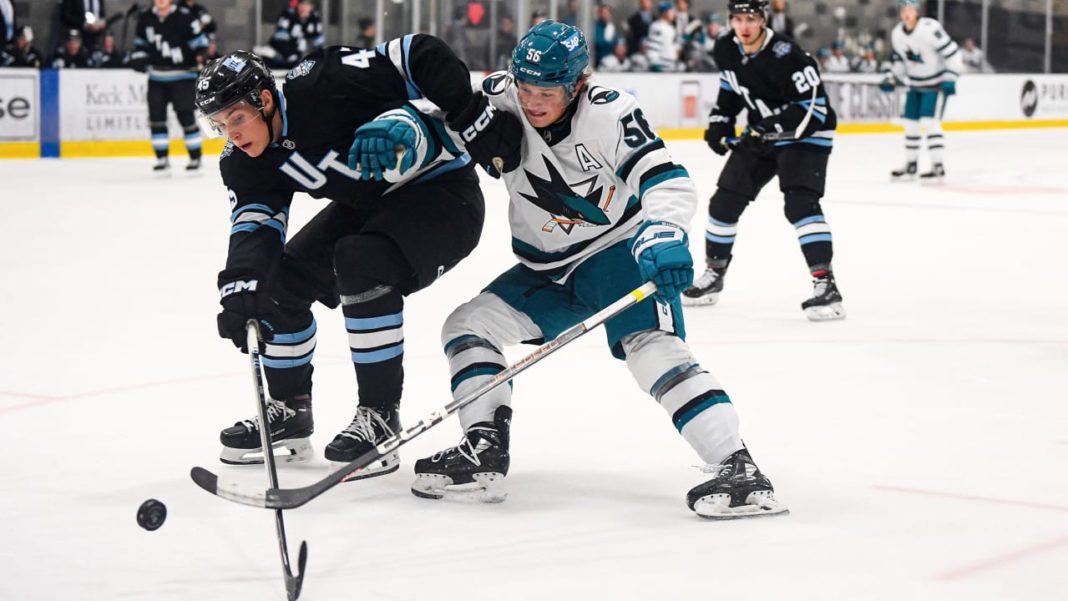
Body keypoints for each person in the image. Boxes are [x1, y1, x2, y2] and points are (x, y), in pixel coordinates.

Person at [409, 21, 788, 520]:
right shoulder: (499, 97)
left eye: (546, 91)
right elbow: (439, 120)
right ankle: (484, 448)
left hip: (615, 255)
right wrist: (405, 127)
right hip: (545, 270)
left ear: (576, 83)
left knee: (651, 348)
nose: (531, 101)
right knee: (466, 326)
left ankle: (737, 466)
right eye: (525, 87)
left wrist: (664, 233)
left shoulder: (610, 112)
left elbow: (665, 179)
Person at [193, 37, 521, 473]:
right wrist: (242, 286)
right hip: (371, 204)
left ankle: (380, 419)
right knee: (275, 285)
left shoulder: (322, 83)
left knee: (360, 261)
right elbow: (255, 228)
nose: (231, 132)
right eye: (219, 124)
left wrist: (466, 109)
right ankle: (291, 412)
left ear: (266, 99)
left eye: (237, 117)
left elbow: (420, 53)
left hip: (444, 197)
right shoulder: (244, 160)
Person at [682, 0, 845, 322]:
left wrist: (765, 129)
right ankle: (714, 274)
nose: (744, 27)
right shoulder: (726, 46)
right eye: (738, 19)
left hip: (806, 135)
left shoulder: (789, 55)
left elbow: (813, 110)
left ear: (764, 21)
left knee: (800, 205)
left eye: (751, 19)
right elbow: (731, 88)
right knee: (723, 205)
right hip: (763, 133)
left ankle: (825, 284)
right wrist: (720, 122)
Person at [881, 0, 961, 180]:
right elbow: (902, 61)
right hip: (914, 85)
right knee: (910, 124)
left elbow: (952, 53)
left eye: (910, 9)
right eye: (903, 10)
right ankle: (911, 164)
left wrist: (950, 77)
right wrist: (893, 77)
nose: (906, 13)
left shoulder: (930, 28)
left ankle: (937, 165)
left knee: (930, 123)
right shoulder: (897, 34)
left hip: (935, 85)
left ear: (917, 11)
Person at [128, 0, 208, 173]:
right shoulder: (146, 18)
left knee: (185, 116)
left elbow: (201, 45)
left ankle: (196, 158)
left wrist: (201, 57)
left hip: (183, 77)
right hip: (156, 78)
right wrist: (138, 58)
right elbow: (140, 45)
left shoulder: (185, 17)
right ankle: (162, 158)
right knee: (156, 118)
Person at [267, 0, 324, 69]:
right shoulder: (288, 14)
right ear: (297, 5)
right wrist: (292, 54)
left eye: (307, 5)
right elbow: (280, 39)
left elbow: (318, 42)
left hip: (301, 54)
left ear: (311, 7)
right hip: (281, 52)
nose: (304, 8)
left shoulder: (314, 18)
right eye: (302, 5)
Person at [646, 1, 681, 72]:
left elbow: (673, 45)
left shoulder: (670, 27)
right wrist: (654, 64)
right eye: (672, 11)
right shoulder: (657, 26)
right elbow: (653, 48)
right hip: (661, 66)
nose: (674, 14)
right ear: (665, 12)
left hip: (671, 65)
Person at [592, 4, 616, 68]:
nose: (605, 15)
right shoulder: (595, 26)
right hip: (597, 60)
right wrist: (609, 43)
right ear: (599, 14)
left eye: (607, 13)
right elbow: (598, 43)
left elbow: (616, 42)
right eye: (604, 13)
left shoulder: (611, 27)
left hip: (611, 59)